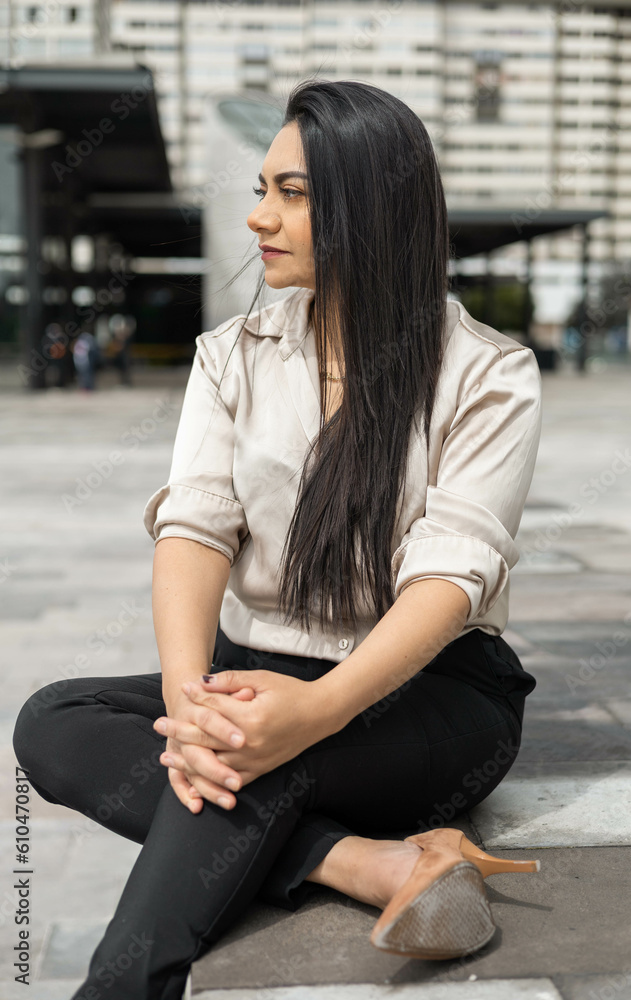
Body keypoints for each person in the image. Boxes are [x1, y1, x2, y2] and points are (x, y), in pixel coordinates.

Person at [13, 78, 543, 999]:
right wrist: (187, 699)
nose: (259, 216)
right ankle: (365, 866)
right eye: (261, 188)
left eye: (291, 194)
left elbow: (448, 581)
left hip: (425, 699)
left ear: (372, 206)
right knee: (53, 721)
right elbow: (194, 529)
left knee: (256, 756)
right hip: (254, 668)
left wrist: (315, 710)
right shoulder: (232, 353)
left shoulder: (488, 374)